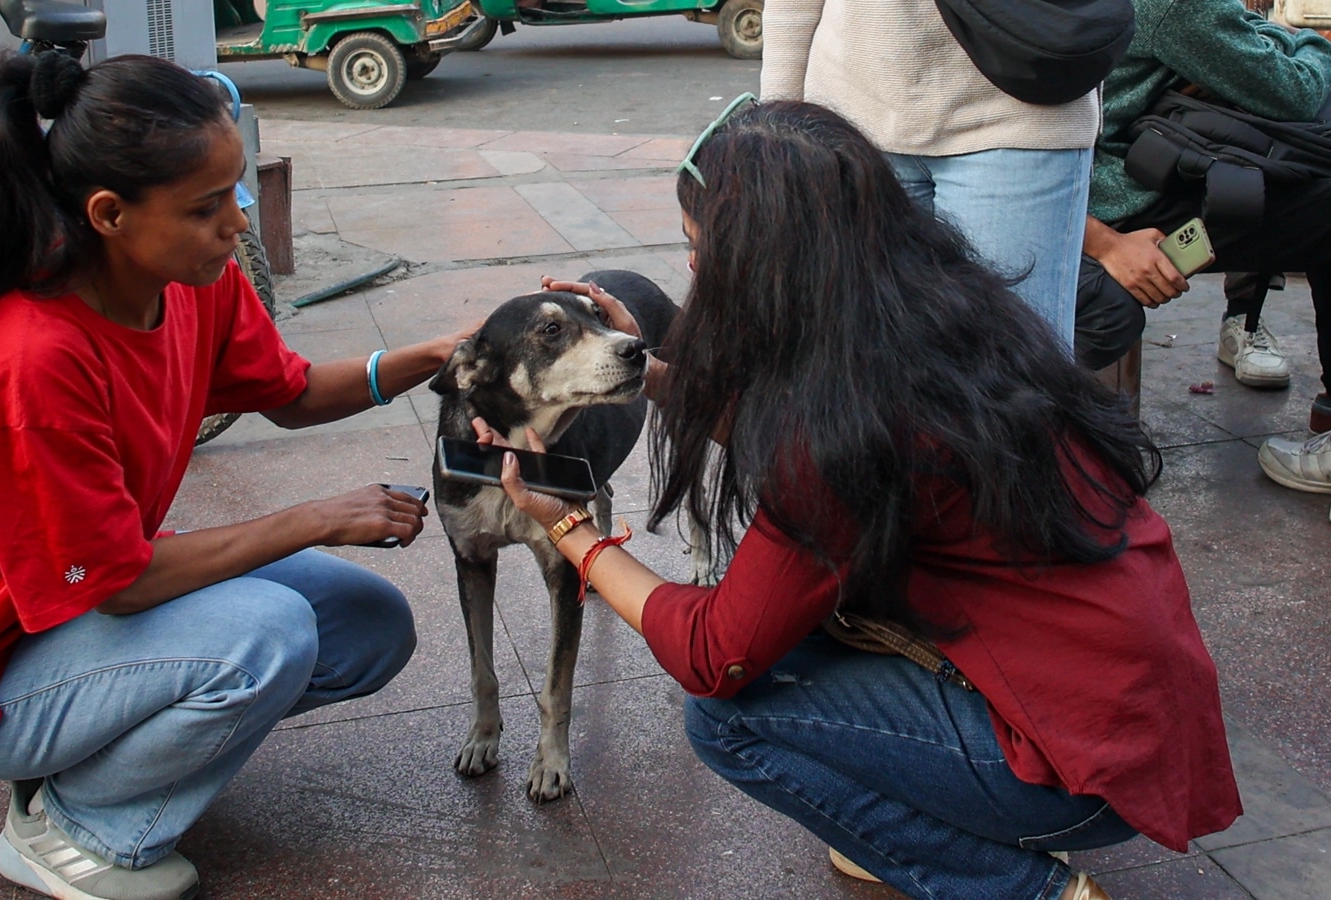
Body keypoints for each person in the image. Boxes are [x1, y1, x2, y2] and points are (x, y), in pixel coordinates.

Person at [484, 100, 1241, 900]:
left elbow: (710, 652)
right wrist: (656, 373)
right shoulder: (940, 314)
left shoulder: (839, 435)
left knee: (727, 717)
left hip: (1077, 769)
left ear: (769, 264)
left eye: (706, 250)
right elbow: (783, 431)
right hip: (1134, 707)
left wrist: (569, 531)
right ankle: (928, 809)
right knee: (805, 635)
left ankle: (1022, 887)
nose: (698, 273)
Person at [0, 52, 473, 900]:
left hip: (80, 616)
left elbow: (292, 393)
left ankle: (103, 752)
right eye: (206, 208)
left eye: (233, 194)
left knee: (367, 625)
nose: (235, 224)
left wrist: (430, 357)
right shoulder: (34, 359)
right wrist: (315, 518)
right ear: (110, 214)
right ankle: (75, 827)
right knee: (268, 634)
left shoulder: (189, 280)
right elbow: (121, 586)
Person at [1079, 0, 1331, 531]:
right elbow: (1296, 89)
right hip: (1131, 201)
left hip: (1110, 182)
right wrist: (1312, 42)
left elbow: (1240, 35)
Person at [761, 0, 1097, 350]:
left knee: (1014, 369)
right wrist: (778, 132)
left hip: (1019, 105)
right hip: (850, 117)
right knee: (863, 372)